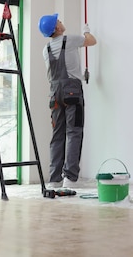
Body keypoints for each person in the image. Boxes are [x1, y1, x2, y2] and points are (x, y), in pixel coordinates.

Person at [38, 13, 97, 189]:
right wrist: (87, 31)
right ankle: (70, 179)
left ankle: (55, 179)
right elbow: (92, 41)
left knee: (57, 136)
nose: (61, 22)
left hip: (54, 94)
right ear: (56, 28)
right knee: (74, 132)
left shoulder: (45, 50)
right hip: (72, 91)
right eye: (59, 21)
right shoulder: (70, 40)